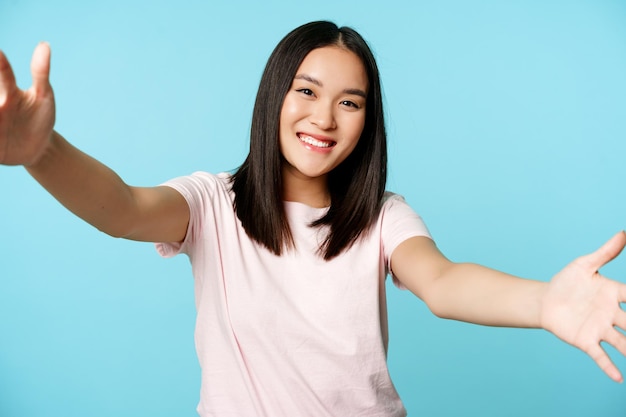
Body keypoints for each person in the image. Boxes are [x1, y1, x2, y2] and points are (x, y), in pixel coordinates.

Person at [0, 20, 625, 417]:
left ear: (367, 122)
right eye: (306, 91)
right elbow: (121, 209)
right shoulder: (213, 203)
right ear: (274, 96)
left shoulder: (383, 218)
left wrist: (546, 304)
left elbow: (443, 282)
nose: (324, 118)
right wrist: (41, 153)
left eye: (349, 102)